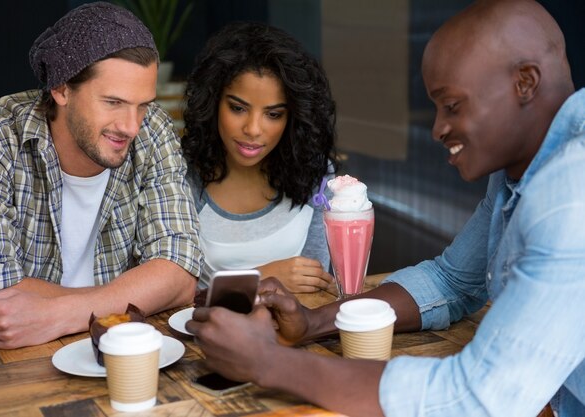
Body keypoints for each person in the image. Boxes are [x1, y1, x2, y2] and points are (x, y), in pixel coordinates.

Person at [186, 1, 585, 416]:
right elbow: (451, 281)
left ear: (525, 82)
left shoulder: (570, 196)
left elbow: (475, 398)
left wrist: (270, 362)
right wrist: (312, 323)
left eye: (452, 106)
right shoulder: (518, 174)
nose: (437, 129)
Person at [0, 2, 202, 349]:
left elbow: (179, 274)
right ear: (61, 89)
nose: (132, 126)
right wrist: (133, 295)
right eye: (113, 102)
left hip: (123, 351)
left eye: (143, 104)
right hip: (17, 366)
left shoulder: (154, 130)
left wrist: (61, 314)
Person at [181, 22, 337, 293]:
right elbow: (172, 297)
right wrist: (259, 278)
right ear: (213, 102)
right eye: (238, 108)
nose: (253, 129)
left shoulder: (316, 174)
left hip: (292, 331)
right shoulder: (184, 176)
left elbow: (314, 285)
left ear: (293, 117)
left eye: (273, 114)